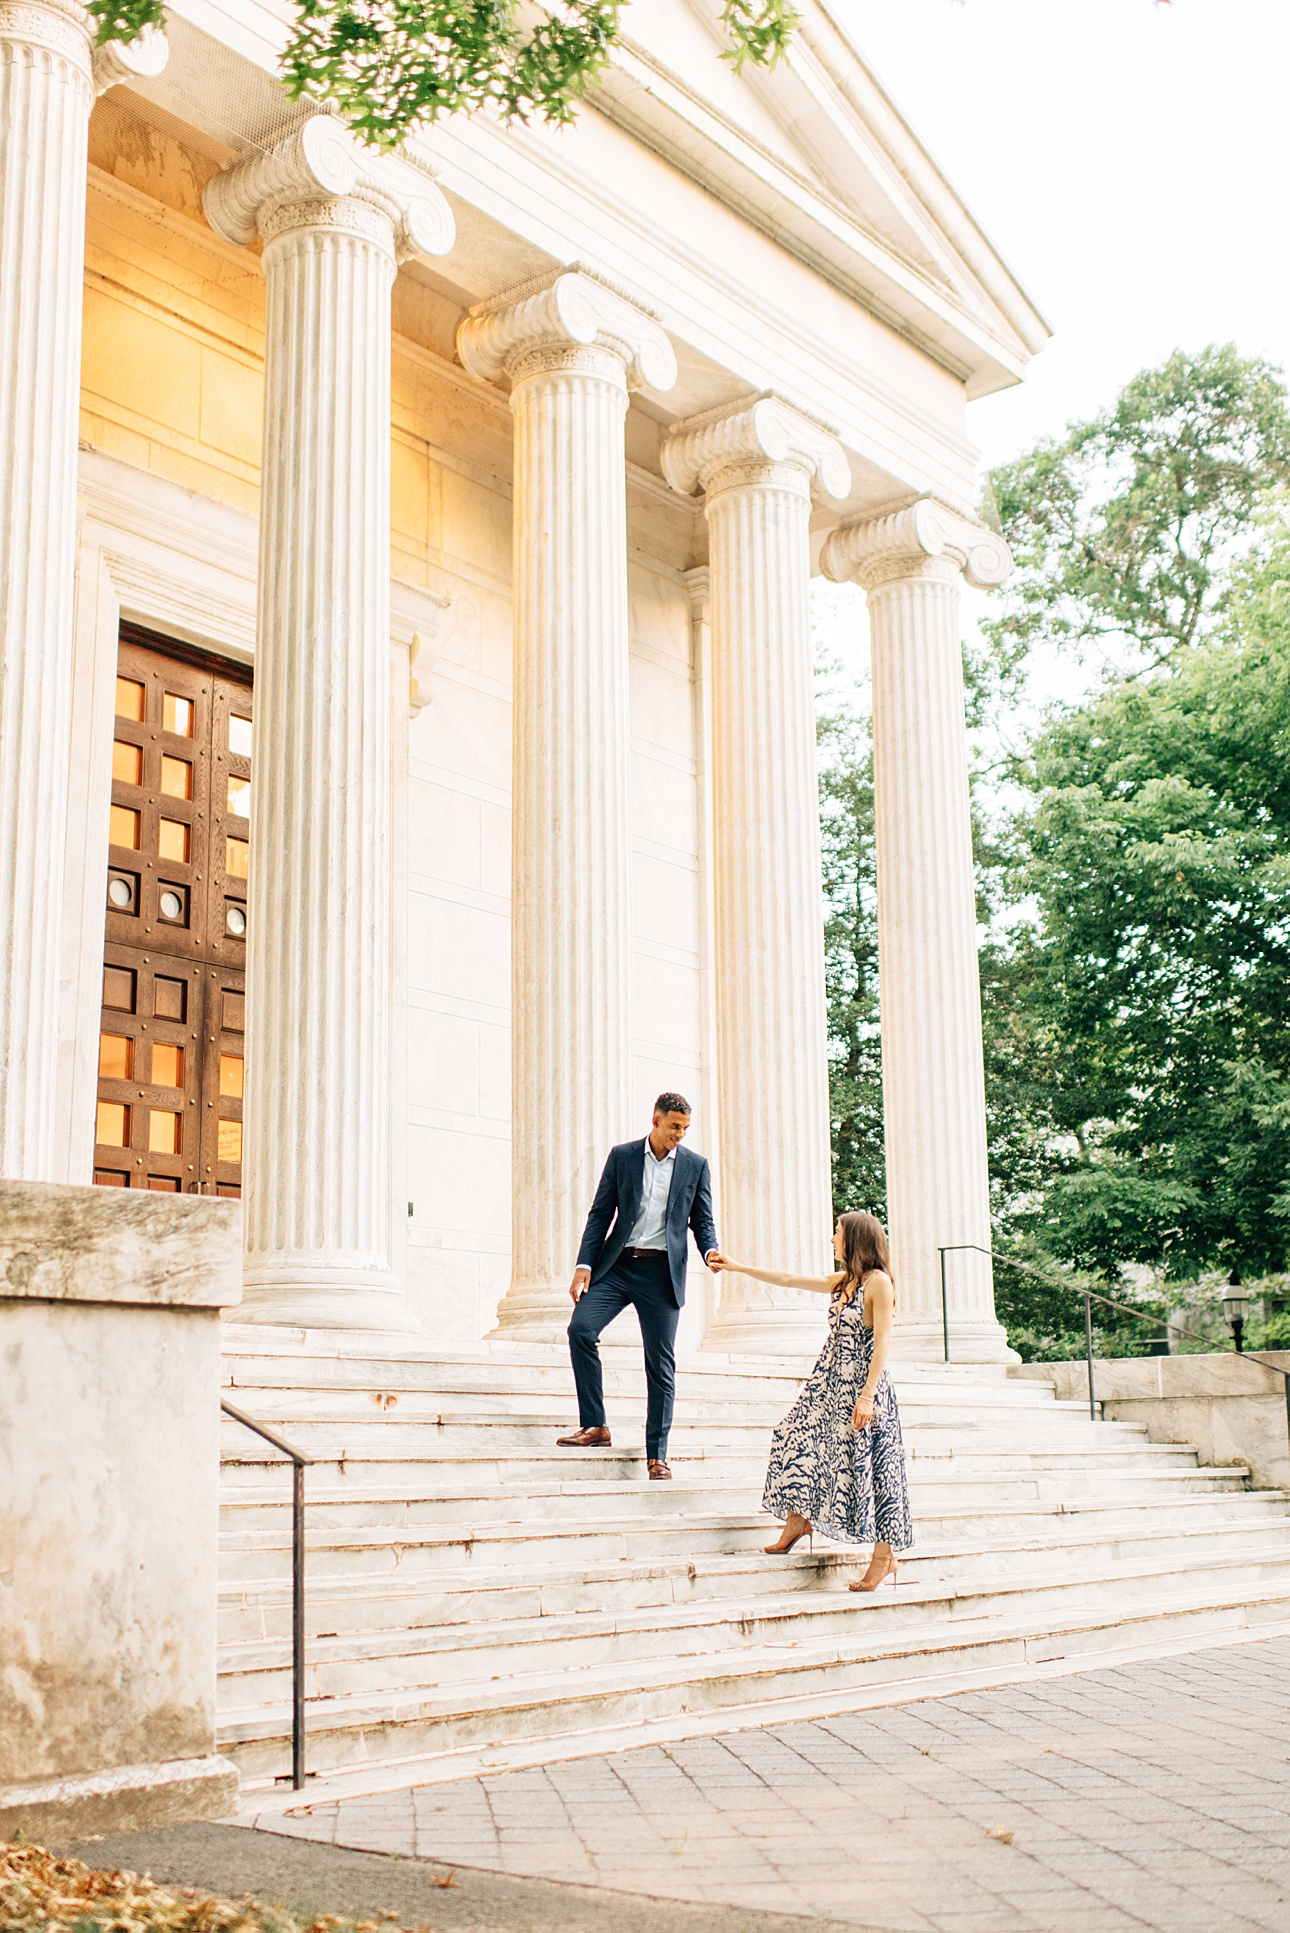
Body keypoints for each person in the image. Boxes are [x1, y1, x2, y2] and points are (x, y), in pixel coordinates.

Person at [709, 1211, 912, 1590]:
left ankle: (885, 1557)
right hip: (829, 1384)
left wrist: (867, 1397)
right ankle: (798, 1518)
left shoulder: (878, 1283)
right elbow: (788, 1279)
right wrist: (737, 1267)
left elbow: (883, 1341)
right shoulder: (844, 1281)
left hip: (863, 1388)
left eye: (837, 1234)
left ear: (855, 1239)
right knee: (793, 1435)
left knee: (875, 1468)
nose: (832, 1240)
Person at [558, 1092, 720, 1481]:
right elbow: (601, 1213)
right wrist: (584, 1264)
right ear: (656, 1120)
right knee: (581, 1329)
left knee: (660, 1365)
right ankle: (595, 1426)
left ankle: (657, 1455)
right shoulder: (623, 1156)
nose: (679, 1135)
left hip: (661, 1274)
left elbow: (703, 1219)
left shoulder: (695, 1167)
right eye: (673, 1126)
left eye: (684, 1129)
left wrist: (710, 1250)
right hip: (617, 1266)